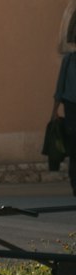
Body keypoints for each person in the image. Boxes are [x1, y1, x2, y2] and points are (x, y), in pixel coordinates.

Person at [53, 49, 76, 195]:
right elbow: (60, 85)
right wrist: (54, 111)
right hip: (71, 109)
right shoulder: (68, 60)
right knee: (74, 150)